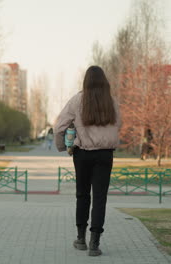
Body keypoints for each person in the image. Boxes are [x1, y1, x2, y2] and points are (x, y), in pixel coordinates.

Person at [54, 65, 120, 256]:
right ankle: (95, 243)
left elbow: (60, 126)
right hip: (105, 154)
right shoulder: (112, 102)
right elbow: (119, 124)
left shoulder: (77, 100)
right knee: (100, 198)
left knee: (82, 195)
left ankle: (81, 238)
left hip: (82, 154)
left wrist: (62, 146)